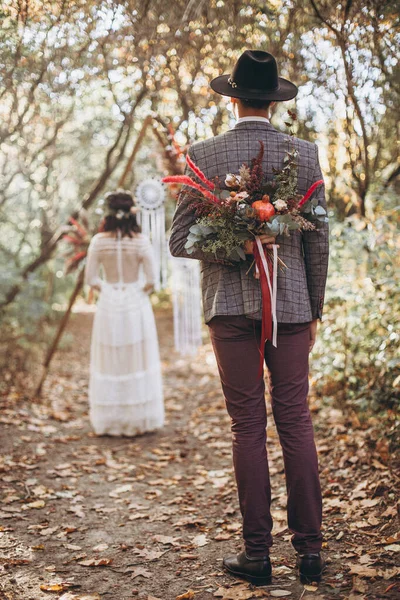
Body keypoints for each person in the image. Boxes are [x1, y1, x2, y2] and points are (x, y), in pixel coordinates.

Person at [169, 50, 329, 585]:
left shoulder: (202, 154)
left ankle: (257, 556)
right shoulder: (305, 156)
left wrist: (231, 241)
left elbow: (178, 242)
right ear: (273, 101)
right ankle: (311, 554)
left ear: (232, 97)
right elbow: (319, 242)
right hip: (291, 310)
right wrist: (312, 310)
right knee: (296, 421)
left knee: (247, 428)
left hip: (229, 310)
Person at [84, 189, 164, 437]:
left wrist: (108, 290)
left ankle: (111, 420)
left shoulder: (99, 241)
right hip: (135, 304)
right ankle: (137, 419)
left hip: (108, 303)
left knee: (110, 357)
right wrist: (135, 291)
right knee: (137, 356)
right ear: (132, 213)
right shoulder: (140, 241)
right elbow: (151, 280)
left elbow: (91, 278)